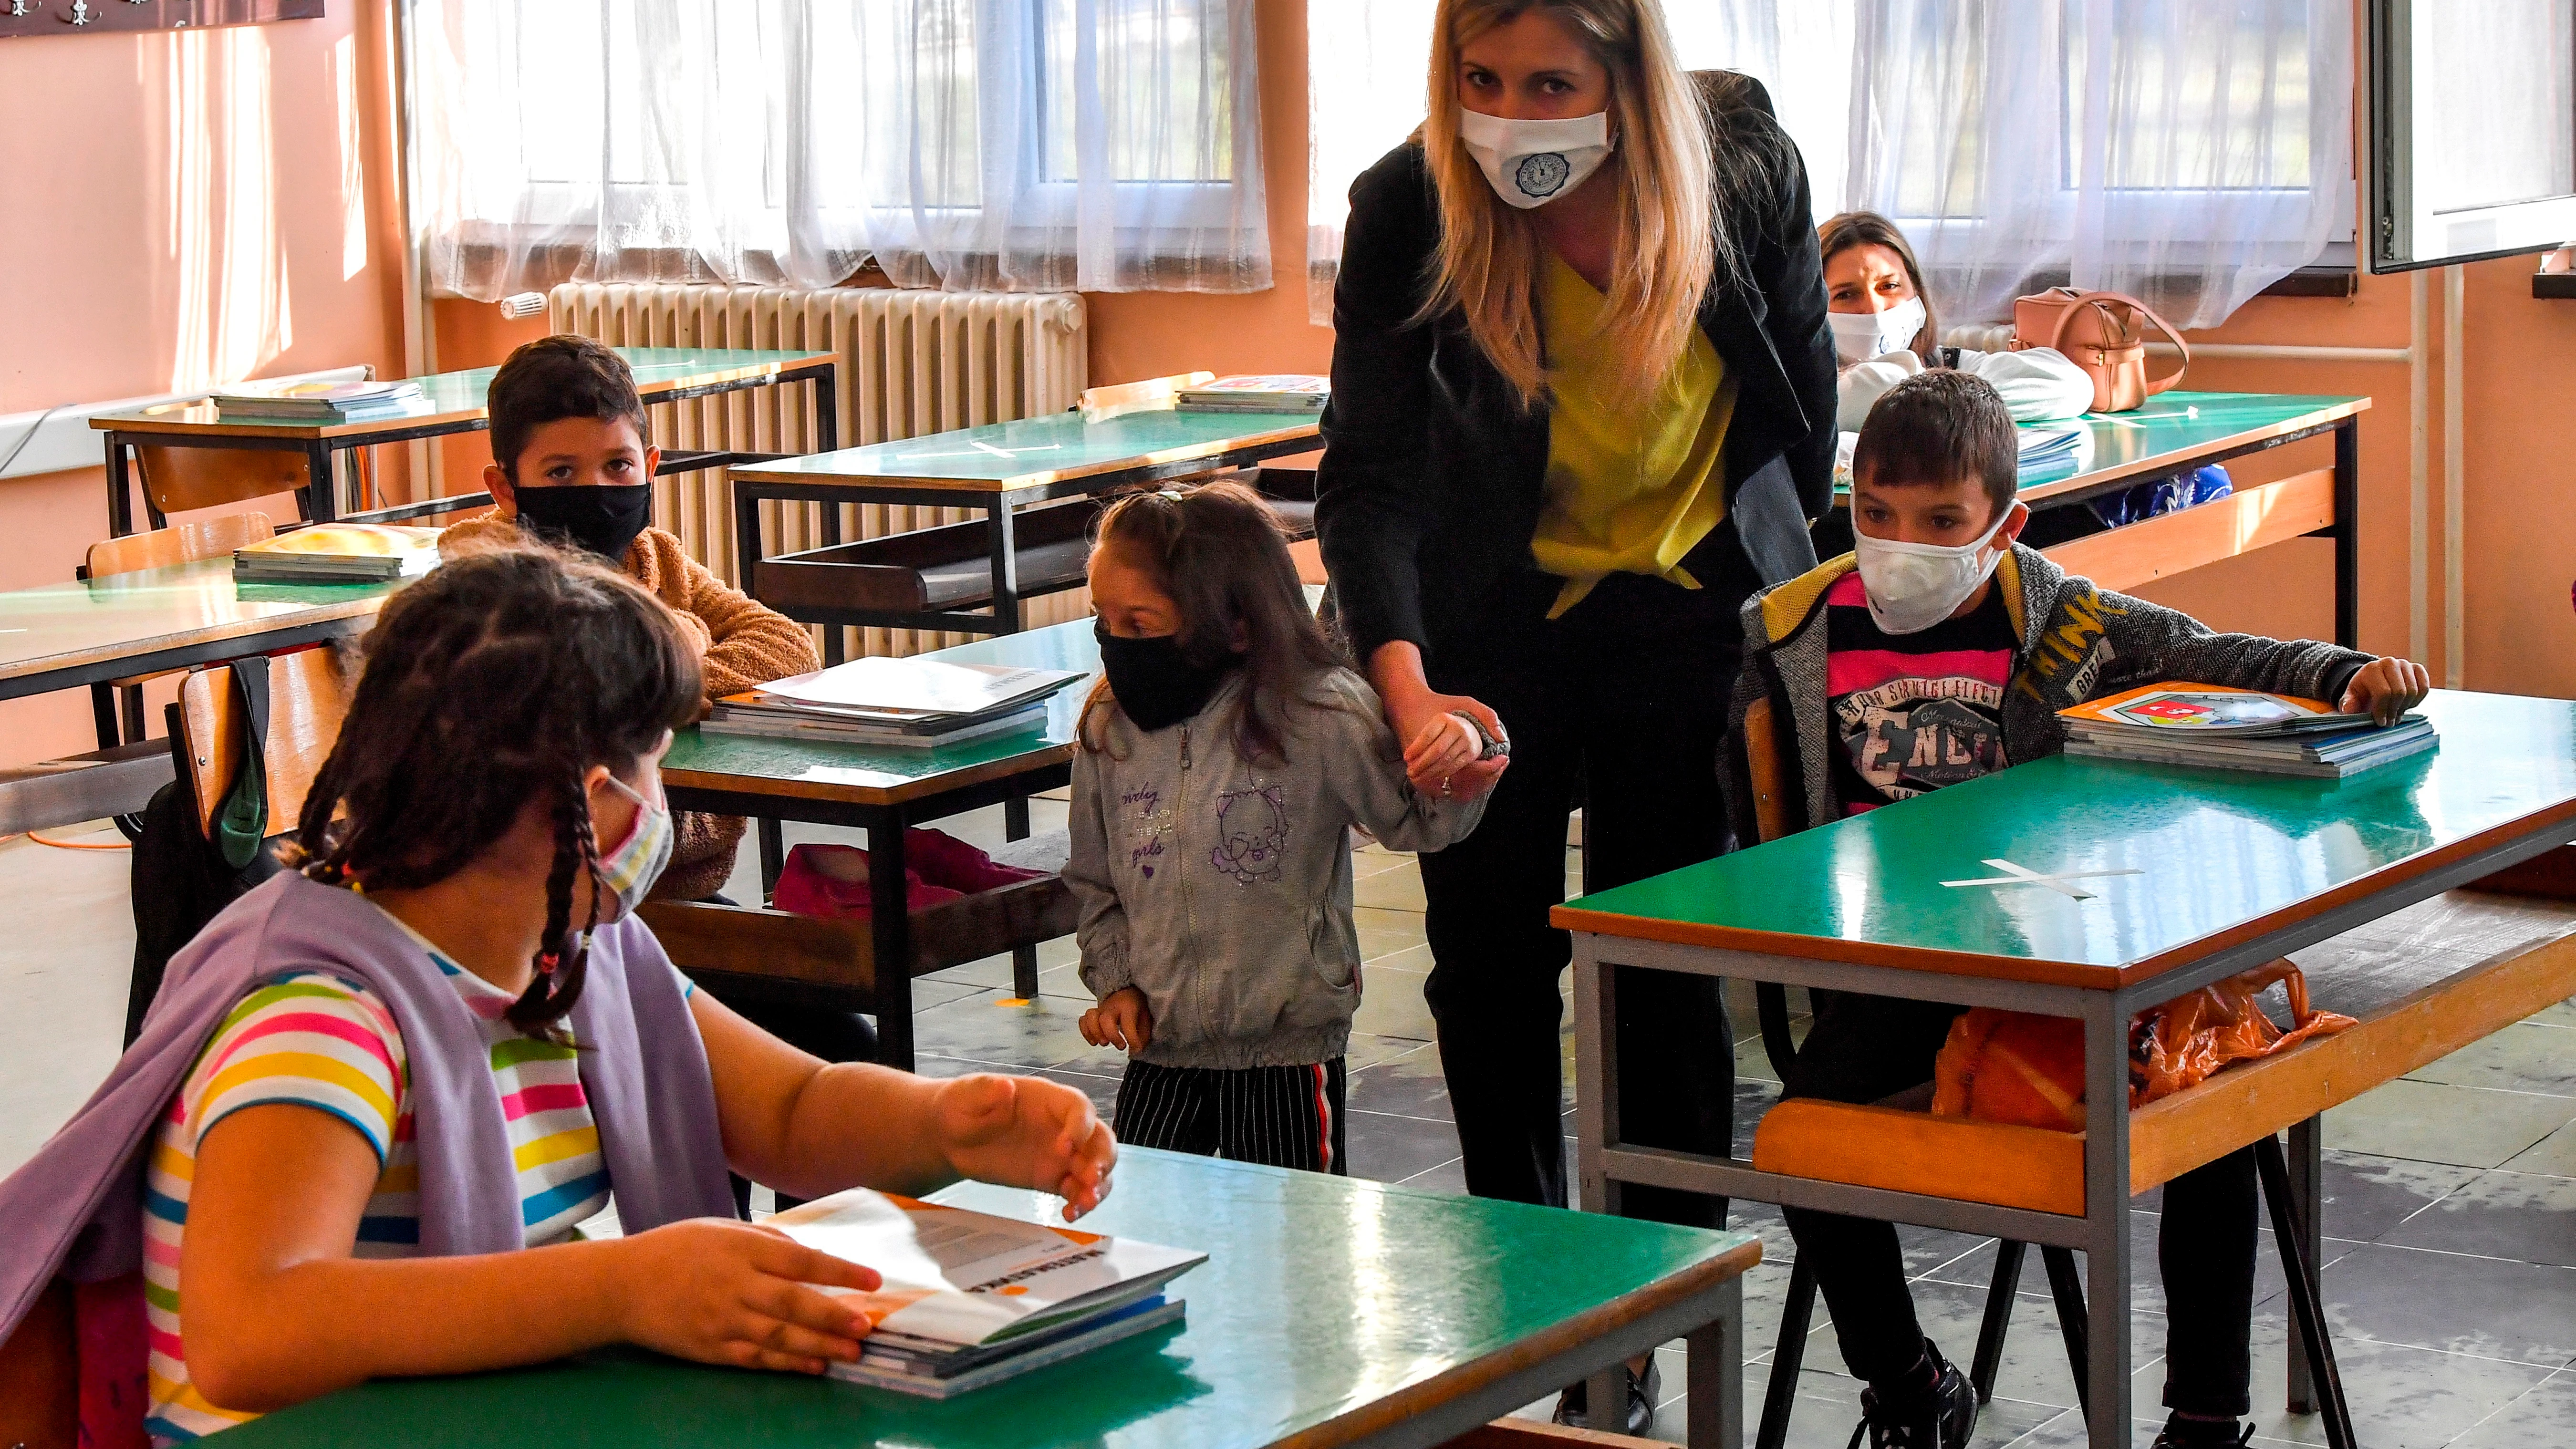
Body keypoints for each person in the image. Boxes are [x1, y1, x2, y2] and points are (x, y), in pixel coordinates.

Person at [0, 547, 1115, 1445]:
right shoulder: (321, 1014)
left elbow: (786, 1112)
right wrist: (623, 1288)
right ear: (597, 802)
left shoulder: (579, 958)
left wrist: (946, 1126)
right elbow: (252, 1325)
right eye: (660, 765)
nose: (664, 798)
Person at [1726, 370, 2429, 1449]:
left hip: (2056, 965)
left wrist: (2341, 676)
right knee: (1804, 1142)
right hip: (1900, 977)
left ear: (2004, 526)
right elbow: (1741, 814)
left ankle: (2205, 1417)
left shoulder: (2056, 620)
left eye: (1939, 523)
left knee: (2210, 1117)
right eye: (1873, 517)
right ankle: (1911, 1388)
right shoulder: (1795, 634)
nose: (1899, 544)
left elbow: (2209, 655)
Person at [1315, 0, 1837, 1427]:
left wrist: (1764, 613)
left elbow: (1803, 410)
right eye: (1482, 81)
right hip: (1494, 620)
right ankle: (1530, 1299)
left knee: (1664, 974)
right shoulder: (1409, 203)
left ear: (1627, 77)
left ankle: (1651, 1307)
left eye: (1552, 82)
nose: (1514, 116)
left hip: (1688, 607)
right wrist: (1408, 681)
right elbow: (1367, 479)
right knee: (1488, 973)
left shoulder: (1741, 170)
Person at [441, 336, 875, 1076]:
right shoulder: (490, 580)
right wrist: (680, 653)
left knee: (844, 1039)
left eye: (617, 466)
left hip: (680, 901)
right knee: (790, 1057)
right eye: (560, 472)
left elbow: (786, 645)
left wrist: (667, 666)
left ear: (652, 466)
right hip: (567, 919)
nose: (596, 488)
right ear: (505, 487)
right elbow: (577, 685)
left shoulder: (657, 558)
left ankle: (728, 1194)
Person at [1068, 484, 1492, 1173]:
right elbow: (1095, 879)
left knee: (1296, 1243)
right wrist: (1114, 982)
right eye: (1103, 623)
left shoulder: (1319, 714)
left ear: (1235, 623)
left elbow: (1419, 822)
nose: (1118, 646)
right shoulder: (1108, 727)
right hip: (1162, 1045)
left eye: (1140, 627)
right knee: (1144, 1228)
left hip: (1289, 1050)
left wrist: (1464, 751)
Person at [1819, 210, 2094, 432]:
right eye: (1846, 294)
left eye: (1889, 286)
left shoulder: (1943, 361)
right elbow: (1867, 394)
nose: (1873, 308)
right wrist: (1965, 398)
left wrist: (1934, 393)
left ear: (1917, 292)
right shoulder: (1808, 390)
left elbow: (2073, 386)